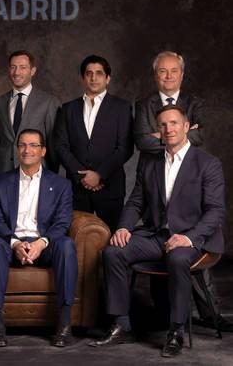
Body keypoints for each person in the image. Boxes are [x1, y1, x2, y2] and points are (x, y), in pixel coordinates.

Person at [91, 105, 225, 358]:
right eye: (163, 125)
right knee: (113, 252)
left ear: (186, 127)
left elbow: (215, 211)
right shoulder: (150, 162)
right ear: (158, 131)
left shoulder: (208, 163)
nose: (168, 129)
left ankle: (176, 330)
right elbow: (136, 201)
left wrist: (188, 237)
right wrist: (123, 227)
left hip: (193, 238)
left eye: (174, 123)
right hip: (156, 235)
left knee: (177, 258)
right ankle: (122, 324)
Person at [133, 51, 229, 331]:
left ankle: (210, 314)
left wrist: (160, 136)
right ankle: (164, 315)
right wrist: (174, 137)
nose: (168, 76)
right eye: (162, 71)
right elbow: (141, 141)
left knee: (189, 244)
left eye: (173, 70)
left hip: (187, 178)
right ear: (155, 75)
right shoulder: (144, 104)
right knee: (159, 238)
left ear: (182, 75)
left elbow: (199, 136)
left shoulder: (194, 102)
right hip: (156, 175)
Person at [0, 129, 76, 348]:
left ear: (43, 151)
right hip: (10, 243)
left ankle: (64, 324)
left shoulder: (61, 184)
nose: (27, 150)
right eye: (23, 145)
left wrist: (40, 243)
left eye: (34, 145)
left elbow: (62, 222)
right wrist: (15, 243)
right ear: (17, 150)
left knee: (67, 245)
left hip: (44, 243)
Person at [54, 55, 133, 231]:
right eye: (89, 73)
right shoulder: (68, 109)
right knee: (77, 238)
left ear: (108, 78)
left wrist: (99, 174)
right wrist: (82, 176)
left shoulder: (121, 107)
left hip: (110, 186)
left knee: (113, 238)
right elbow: (61, 146)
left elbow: (125, 148)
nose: (93, 78)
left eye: (99, 73)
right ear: (82, 78)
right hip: (77, 188)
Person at [0, 50, 60, 174]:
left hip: (37, 173)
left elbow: (54, 146)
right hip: (4, 171)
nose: (17, 72)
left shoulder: (49, 102)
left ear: (32, 71)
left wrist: (51, 176)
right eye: (13, 67)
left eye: (23, 67)